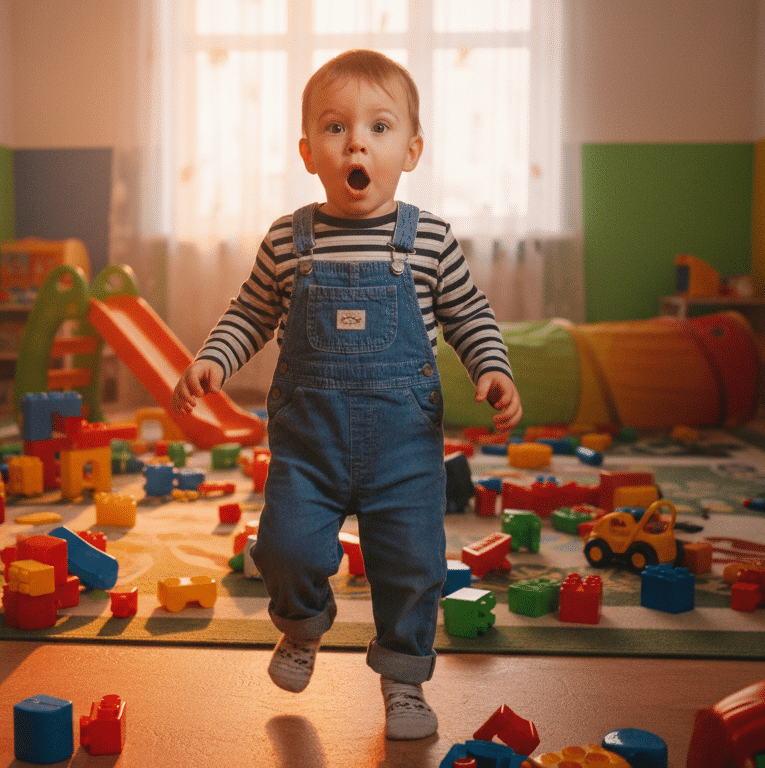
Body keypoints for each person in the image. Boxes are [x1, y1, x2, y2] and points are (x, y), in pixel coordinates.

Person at [172, 49, 521, 741]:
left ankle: (403, 679)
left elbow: (469, 314)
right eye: (335, 128)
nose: (356, 141)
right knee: (285, 548)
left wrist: (493, 368)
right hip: (310, 446)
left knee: (414, 568)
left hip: (404, 454)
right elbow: (248, 313)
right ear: (309, 152)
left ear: (411, 150)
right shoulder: (287, 240)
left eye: (379, 127)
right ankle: (302, 629)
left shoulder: (429, 240)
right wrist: (214, 358)